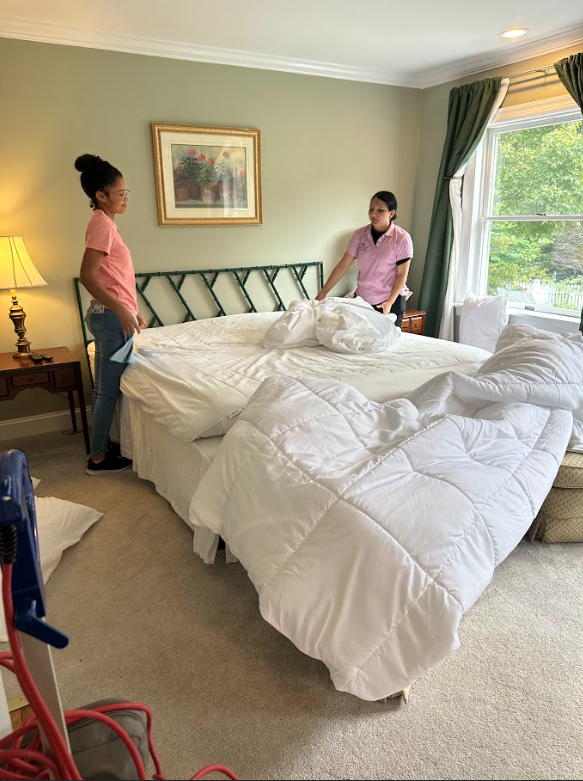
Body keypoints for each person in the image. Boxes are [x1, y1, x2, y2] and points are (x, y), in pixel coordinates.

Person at [75, 153, 147, 475]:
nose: (125, 198)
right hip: (109, 317)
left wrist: (131, 310)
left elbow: (114, 277)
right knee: (107, 390)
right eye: (120, 193)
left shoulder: (103, 224)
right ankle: (99, 458)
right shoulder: (102, 225)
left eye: (126, 192)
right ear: (101, 196)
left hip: (109, 315)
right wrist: (120, 309)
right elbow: (88, 275)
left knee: (104, 389)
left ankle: (101, 448)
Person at [315, 191, 413, 326]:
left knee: (386, 345)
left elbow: (402, 275)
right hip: (363, 300)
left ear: (391, 213)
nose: (373, 214)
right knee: (359, 342)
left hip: (390, 301)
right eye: (371, 209)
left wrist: (389, 302)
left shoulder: (401, 238)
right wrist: (322, 293)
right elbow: (343, 266)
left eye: (380, 210)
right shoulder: (360, 235)